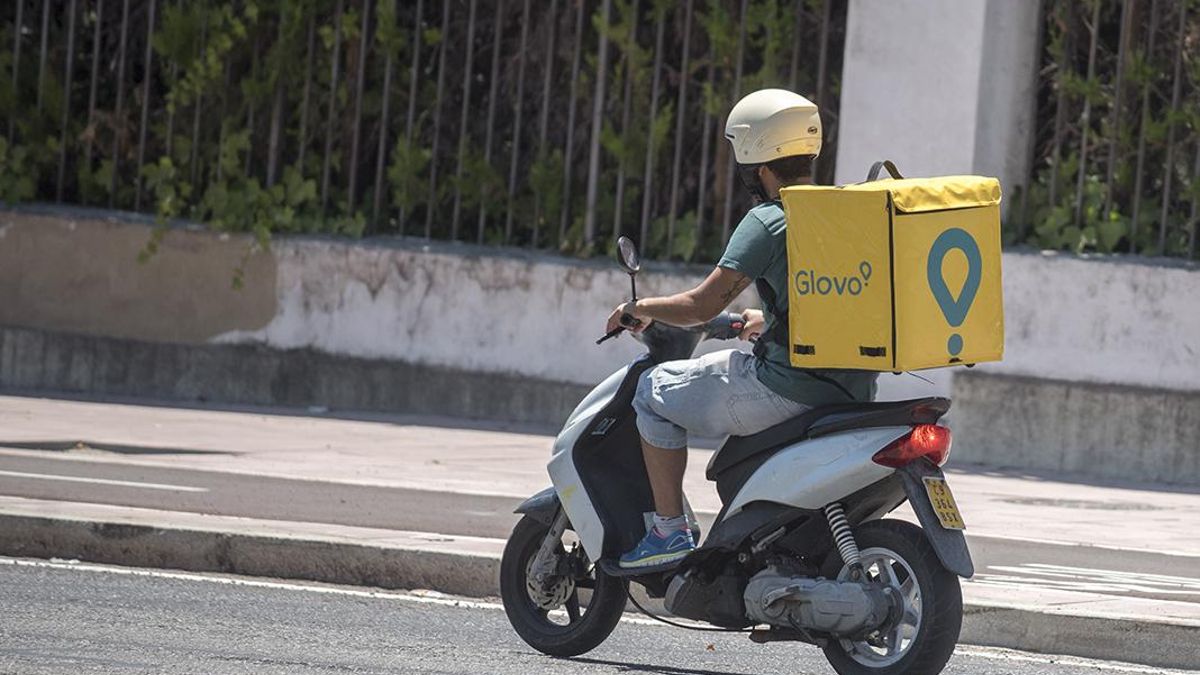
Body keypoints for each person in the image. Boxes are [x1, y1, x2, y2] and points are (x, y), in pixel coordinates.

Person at [605, 89, 878, 569]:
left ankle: (668, 530)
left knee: (651, 391)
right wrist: (762, 321)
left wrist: (639, 305)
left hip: (788, 389)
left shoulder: (771, 220)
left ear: (756, 162)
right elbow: (831, 293)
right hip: (851, 389)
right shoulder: (842, 213)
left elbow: (699, 305)